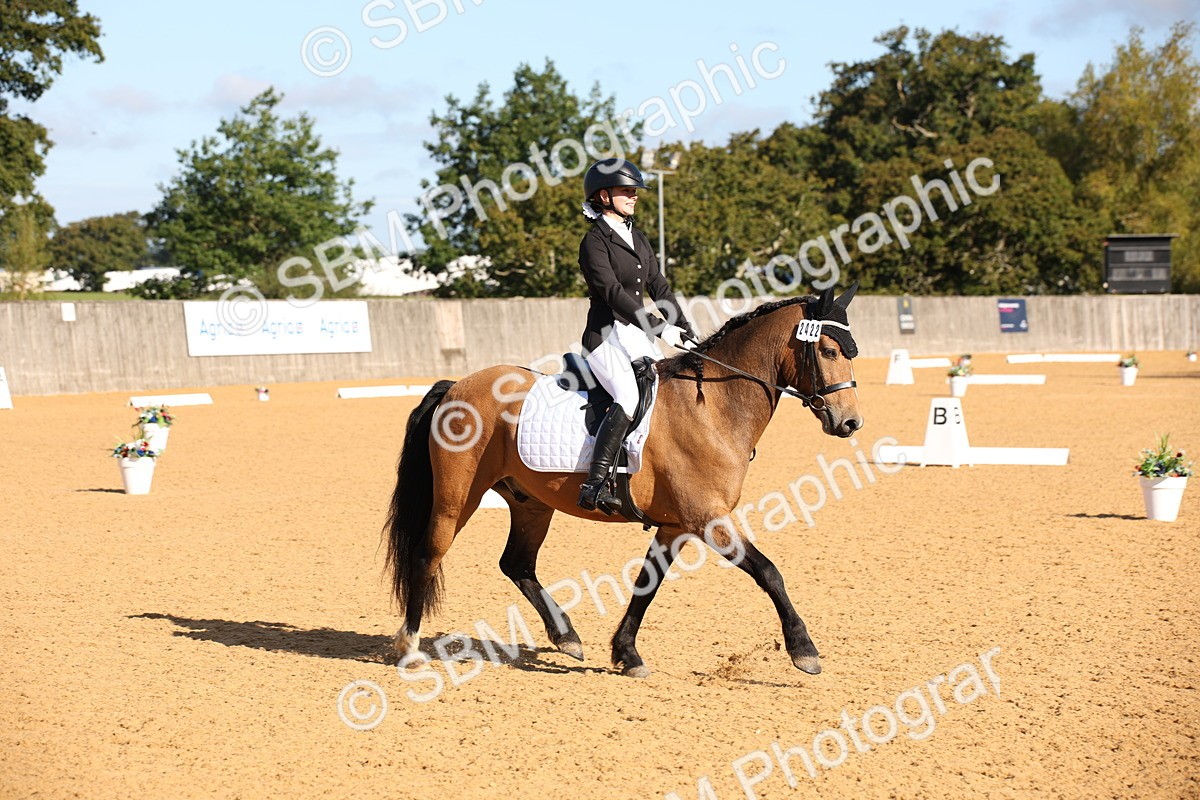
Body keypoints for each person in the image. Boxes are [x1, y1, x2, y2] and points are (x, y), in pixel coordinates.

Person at [575, 157, 697, 514]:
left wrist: (687, 331)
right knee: (628, 396)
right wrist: (660, 328)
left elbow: (659, 286)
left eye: (635, 191)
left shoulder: (637, 237)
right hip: (605, 337)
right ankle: (594, 484)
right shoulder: (594, 242)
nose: (634, 196)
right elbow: (614, 294)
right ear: (603, 196)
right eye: (627, 191)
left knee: (668, 394)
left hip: (637, 337)